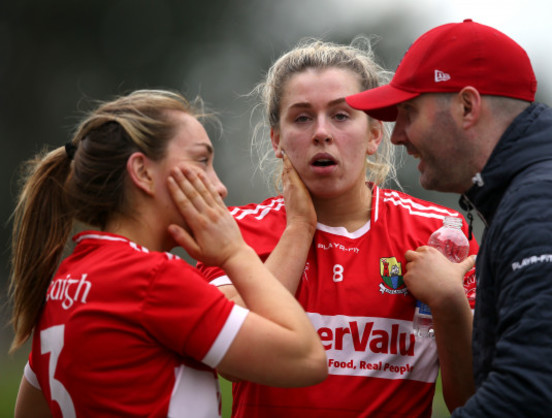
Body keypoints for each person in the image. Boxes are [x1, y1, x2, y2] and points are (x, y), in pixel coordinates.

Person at [346, 19, 552, 417]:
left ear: (467, 107)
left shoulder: (548, 204)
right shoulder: (540, 193)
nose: (396, 134)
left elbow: (526, 396)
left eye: (408, 111)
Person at [197, 38, 479, 417]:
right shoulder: (237, 231)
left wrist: (448, 304)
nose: (321, 132)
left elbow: (472, 399)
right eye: (301, 117)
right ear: (277, 140)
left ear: (375, 135)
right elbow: (233, 361)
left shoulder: (440, 233)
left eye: (341, 115)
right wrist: (299, 227)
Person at [9, 89, 328, 418]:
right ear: (143, 173)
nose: (219, 187)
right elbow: (307, 359)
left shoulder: (66, 280)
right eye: (201, 161)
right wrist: (236, 253)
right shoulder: (153, 279)